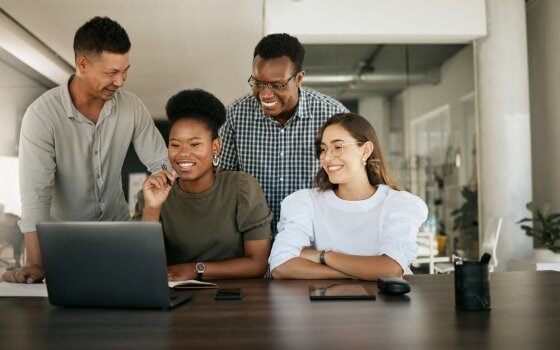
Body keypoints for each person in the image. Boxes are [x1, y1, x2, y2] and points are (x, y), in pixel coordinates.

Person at [2, 17, 170, 284]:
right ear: (82, 64)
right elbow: (36, 198)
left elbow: (163, 163)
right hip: (64, 245)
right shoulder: (42, 116)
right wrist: (36, 263)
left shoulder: (132, 108)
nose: (121, 81)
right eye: (111, 72)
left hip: (119, 237)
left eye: (125, 71)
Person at [269, 113, 428, 280]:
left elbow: (391, 269)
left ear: (365, 150)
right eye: (323, 149)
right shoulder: (305, 202)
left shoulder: (398, 204)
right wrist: (366, 272)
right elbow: (281, 265)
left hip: (388, 305)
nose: (327, 158)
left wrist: (323, 256)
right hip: (326, 305)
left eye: (338, 147)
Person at [135, 89, 272, 281]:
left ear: (215, 147)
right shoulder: (154, 193)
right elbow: (144, 264)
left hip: (237, 296)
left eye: (194, 145)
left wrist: (194, 270)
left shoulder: (241, 188)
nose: (183, 154)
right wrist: (152, 208)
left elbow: (258, 263)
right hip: (174, 296)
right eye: (175, 145)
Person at [219, 33, 349, 234]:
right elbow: (223, 180)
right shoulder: (235, 115)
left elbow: (349, 180)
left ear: (298, 78)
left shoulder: (332, 115)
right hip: (252, 239)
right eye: (258, 83)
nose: (265, 94)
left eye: (277, 85)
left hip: (315, 237)